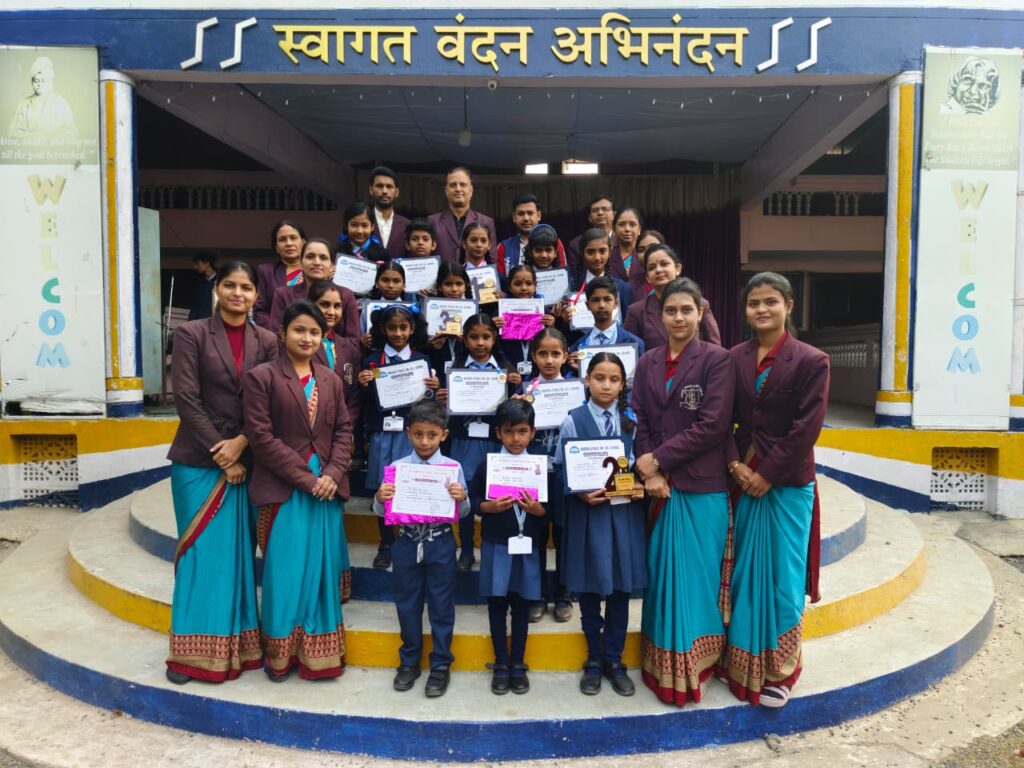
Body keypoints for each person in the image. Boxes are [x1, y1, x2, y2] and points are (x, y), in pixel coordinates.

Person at [719, 272, 829, 708]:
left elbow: (807, 428)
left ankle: (782, 670)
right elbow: (720, 418)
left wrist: (766, 474)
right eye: (754, 303)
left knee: (784, 577)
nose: (762, 309)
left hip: (786, 484)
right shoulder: (734, 358)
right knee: (743, 575)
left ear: (788, 306)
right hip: (741, 478)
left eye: (770, 302)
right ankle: (741, 662)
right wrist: (735, 465)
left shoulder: (811, 360)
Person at [165, 262, 278, 685]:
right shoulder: (191, 334)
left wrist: (242, 444)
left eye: (246, 287)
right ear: (218, 289)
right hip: (198, 461)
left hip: (248, 460)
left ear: (256, 295)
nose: (237, 293)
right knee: (201, 556)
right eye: (229, 285)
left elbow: (269, 401)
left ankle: (239, 649)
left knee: (238, 557)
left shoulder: (267, 340)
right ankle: (189, 657)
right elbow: (186, 397)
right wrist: (223, 455)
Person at [631, 277, 735, 706]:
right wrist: (648, 470)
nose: (678, 317)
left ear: (700, 312)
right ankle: (662, 668)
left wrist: (658, 460)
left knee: (699, 581)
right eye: (670, 310)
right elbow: (639, 419)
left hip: (702, 485)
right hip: (660, 490)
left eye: (686, 310)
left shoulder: (717, 360)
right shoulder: (647, 361)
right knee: (663, 579)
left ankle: (697, 666)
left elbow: (713, 425)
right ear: (659, 315)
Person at [243, 300, 353, 681]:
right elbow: (261, 438)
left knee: (320, 573)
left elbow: (344, 431)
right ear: (283, 332)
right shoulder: (262, 378)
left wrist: (333, 473)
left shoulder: (330, 380)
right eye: (299, 330)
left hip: (326, 490)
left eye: (314, 332)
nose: (307, 338)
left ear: (323, 337)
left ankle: (320, 655)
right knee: (284, 572)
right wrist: (309, 479)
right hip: (285, 488)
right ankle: (280, 657)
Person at [555, 352, 646, 696]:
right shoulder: (572, 420)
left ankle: (614, 660)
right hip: (588, 513)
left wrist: (639, 486)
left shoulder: (632, 420)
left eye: (614, 379)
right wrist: (577, 492)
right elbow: (559, 467)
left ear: (623, 385)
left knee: (621, 588)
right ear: (587, 380)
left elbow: (641, 465)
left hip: (623, 514)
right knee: (590, 588)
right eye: (599, 378)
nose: (606, 385)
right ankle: (593, 659)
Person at [372, 401, 470, 697]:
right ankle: (409, 661)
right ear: (408, 433)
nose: (424, 441)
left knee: (441, 605)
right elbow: (382, 511)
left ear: (444, 435)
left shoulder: (453, 468)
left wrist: (462, 498)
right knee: (407, 604)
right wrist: (379, 497)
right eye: (418, 434)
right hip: (406, 542)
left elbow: (464, 512)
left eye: (431, 435)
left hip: (440, 542)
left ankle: (440, 665)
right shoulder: (397, 469)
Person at [470, 399, 549, 695]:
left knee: (521, 605)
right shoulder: (487, 465)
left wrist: (538, 510)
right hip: (496, 544)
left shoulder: (541, 467)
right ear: (498, 433)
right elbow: (472, 501)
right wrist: (487, 507)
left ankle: (518, 663)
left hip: (527, 547)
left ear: (533, 432)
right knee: (496, 604)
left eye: (522, 431)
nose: (516, 438)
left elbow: (552, 511)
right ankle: (501, 663)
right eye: (509, 431)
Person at [435, 314, 521, 573]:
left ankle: (491, 547)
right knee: (465, 493)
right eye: (474, 337)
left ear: (494, 339)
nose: (480, 343)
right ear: (464, 339)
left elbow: (515, 409)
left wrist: (516, 388)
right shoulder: (455, 370)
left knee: (495, 492)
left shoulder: (506, 369)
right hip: (465, 440)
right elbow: (447, 410)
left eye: (486, 337)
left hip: (495, 441)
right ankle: (466, 549)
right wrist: (443, 398)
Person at [359, 304, 439, 570]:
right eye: (392, 328)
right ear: (383, 329)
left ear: (412, 329)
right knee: (385, 489)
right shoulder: (371, 361)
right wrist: (364, 385)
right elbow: (366, 403)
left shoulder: (423, 360)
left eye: (403, 327)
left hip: (410, 434)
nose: (397, 333)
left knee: (411, 484)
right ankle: (386, 543)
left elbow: (427, 401)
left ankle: (412, 539)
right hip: (382, 433)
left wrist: (433, 388)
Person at [309, 279, 364, 601]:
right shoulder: (299, 342)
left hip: (339, 442)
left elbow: (353, 397)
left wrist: (346, 432)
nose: (330, 311)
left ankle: (331, 586)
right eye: (323, 305)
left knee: (331, 513)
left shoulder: (348, 348)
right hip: (307, 441)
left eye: (336, 306)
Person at [514, 328, 573, 623]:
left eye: (555, 354)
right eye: (543, 354)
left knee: (563, 535)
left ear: (565, 356)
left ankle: (563, 594)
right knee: (535, 535)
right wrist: (517, 407)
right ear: (534, 357)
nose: (549, 360)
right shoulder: (525, 389)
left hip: (564, 474)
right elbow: (513, 430)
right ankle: (535, 595)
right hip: (533, 472)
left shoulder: (576, 389)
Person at [624, 244, 721, 349]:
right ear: (647, 277)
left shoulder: (700, 304)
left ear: (678, 268)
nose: (658, 270)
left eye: (664, 264)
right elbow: (630, 350)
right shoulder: (636, 311)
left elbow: (714, 349)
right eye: (652, 267)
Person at [267, 237, 359, 338]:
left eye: (323, 258)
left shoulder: (346, 295)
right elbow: (275, 336)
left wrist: (329, 346)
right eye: (310, 257)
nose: (317, 262)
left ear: (332, 264)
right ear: (301, 262)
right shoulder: (283, 295)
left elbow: (353, 340)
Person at [568, 276, 646, 374]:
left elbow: (639, 379)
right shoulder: (577, 347)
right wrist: (580, 371)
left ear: (616, 303)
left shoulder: (635, 343)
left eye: (607, 299)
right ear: (587, 305)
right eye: (595, 300)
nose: (601, 305)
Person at [566, 229, 632, 329]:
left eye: (602, 251)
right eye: (590, 252)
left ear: (610, 251)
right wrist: (565, 320)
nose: (597, 257)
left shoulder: (623, 288)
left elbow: (628, 325)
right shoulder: (570, 287)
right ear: (582, 253)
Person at [428, 167, 497, 263]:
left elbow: (492, 259)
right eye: (453, 185)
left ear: (471, 190)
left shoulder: (486, 222)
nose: (458, 189)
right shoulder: (432, 221)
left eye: (463, 184)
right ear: (446, 191)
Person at [496, 194, 567, 276]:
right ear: (514, 217)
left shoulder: (555, 242)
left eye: (530, 213)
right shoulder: (504, 247)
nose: (526, 218)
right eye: (521, 214)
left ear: (538, 215)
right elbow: (499, 280)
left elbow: (563, 276)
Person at [254, 220, 306, 329]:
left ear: (303, 242)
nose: (289, 243)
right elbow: (259, 311)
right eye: (282, 239)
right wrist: (278, 332)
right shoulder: (266, 272)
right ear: (276, 247)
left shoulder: (317, 270)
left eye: (293, 238)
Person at [7, 56, 76, 137]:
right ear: (32, 82)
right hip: (29, 144)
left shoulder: (60, 103)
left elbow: (73, 133)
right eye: (36, 81)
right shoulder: (23, 104)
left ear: (49, 81)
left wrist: (50, 139)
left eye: (43, 81)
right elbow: (12, 132)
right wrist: (34, 137)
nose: (39, 84)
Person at [567, 196, 617, 275]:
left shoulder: (623, 241)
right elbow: (575, 276)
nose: (600, 213)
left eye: (605, 209)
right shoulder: (576, 244)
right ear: (590, 218)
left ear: (614, 214)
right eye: (595, 210)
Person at [367, 166, 410, 258]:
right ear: (371, 190)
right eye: (379, 186)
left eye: (389, 187)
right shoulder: (362, 223)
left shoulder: (407, 225)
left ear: (397, 192)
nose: (384, 191)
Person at [608, 208, 647, 298]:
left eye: (632, 224)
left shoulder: (646, 256)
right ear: (614, 229)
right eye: (621, 224)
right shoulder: (606, 256)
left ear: (639, 229)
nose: (627, 229)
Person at [187, 250, 218, 321]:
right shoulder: (198, 282)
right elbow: (195, 307)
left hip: (216, 322)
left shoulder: (221, 281)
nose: (195, 267)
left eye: (198, 264)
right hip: (199, 323)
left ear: (207, 264)